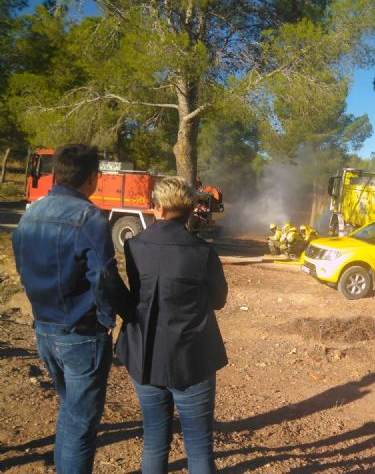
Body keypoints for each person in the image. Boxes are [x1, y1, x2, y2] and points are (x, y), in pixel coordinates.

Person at [12, 144, 130, 473]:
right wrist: (109, 319)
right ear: (93, 177)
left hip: (45, 331)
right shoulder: (89, 217)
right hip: (81, 335)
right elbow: (105, 279)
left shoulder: (31, 213)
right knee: (80, 427)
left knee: (70, 410)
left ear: (57, 173)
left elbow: (23, 265)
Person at [115, 177, 228, 474]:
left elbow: (139, 294)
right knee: (199, 447)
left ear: (159, 208)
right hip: (192, 360)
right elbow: (218, 300)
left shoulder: (133, 246)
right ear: (191, 210)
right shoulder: (203, 252)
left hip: (144, 356)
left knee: (154, 440)